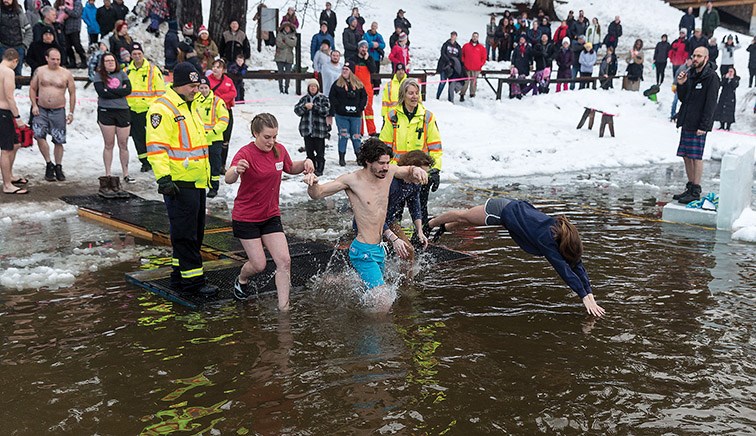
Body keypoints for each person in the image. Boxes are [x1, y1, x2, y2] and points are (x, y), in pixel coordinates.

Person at [303, 138, 428, 312]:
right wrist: (313, 183)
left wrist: (416, 170)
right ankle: (372, 338)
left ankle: (330, 281)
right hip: (363, 250)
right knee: (383, 300)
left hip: (378, 249)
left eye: (387, 162)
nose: (385, 167)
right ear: (368, 161)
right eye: (381, 163)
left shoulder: (389, 172)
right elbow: (318, 194)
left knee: (369, 290)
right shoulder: (352, 180)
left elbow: (405, 170)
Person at [426, 198, 605, 317]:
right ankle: (430, 223)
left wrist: (590, 294)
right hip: (501, 209)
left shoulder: (563, 236)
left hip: (513, 210)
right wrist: (583, 296)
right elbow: (563, 269)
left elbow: (576, 264)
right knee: (464, 216)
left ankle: (445, 227)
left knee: (468, 221)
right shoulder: (547, 239)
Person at [226, 113, 314, 310]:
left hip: (270, 215)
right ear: (255, 133)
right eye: (267, 137)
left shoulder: (279, 150)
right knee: (259, 265)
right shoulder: (245, 153)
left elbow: (290, 167)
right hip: (246, 217)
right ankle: (241, 279)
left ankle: (284, 307)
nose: (271, 141)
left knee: (284, 261)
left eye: (275, 136)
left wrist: (306, 162)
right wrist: (236, 170)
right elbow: (228, 178)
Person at [146, 62, 217, 297]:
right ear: (178, 85)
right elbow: (157, 149)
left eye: (198, 85)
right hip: (178, 183)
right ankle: (194, 283)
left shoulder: (190, 105)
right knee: (186, 234)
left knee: (194, 231)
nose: (196, 90)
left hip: (196, 181)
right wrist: (164, 179)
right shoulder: (162, 109)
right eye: (192, 86)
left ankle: (179, 274)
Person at [379, 78, 442, 224]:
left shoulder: (427, 117)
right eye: (410, 93)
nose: (414, 96)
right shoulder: (393, 117)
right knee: (395, 209)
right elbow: (384, 146)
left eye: (416, 93)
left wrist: (435, 169)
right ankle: (393, 239)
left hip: (421, 172)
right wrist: (386, 168)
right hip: (398, 172)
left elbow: (435, 146)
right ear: (403, 95)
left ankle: (420, 238)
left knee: (420, 209)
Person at [673, 46, 719, 204]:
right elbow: (683, 98)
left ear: (706, 58)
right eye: (694, 55)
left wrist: (704, 126)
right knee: (686, 156)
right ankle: (690, 186)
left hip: (699, 124)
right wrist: (681, 84)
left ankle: (696, 189)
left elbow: (711, 104)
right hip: (687, 121)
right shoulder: (691, 74)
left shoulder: (711, 77)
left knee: (696, 157)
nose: (695, 58)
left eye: (699, 56)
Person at [383, 150, 433, 278]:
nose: (423, 177)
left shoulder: (414, 183)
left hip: (389, 220)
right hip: (373, 220)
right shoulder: (392, 181)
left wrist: (420, 231)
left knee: (408, 250)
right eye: (421, 173)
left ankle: (406, 283)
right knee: (375, 254)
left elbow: (414, 206)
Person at [29, 47, 75, 182]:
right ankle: (49, 163)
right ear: (47, 58)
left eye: (58, 59)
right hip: (41, 109)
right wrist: (34, 105)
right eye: (53, 59)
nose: (56, 62)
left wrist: (71, 112)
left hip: (58, 110)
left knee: (58, 140)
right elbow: (32, 88)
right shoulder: (40, 71)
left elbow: (72, 93)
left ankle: (58, 166)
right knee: (38, 135)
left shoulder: (66, 74)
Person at [93, 51, 131, 198]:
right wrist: (118, 92)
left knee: (123, 143)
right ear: (103, 63)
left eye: (112, 60)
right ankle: (108, 173)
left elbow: (128, 89)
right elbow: (102, 92)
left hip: (122, 110)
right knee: (109, 143)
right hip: (106, 111)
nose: (110, 63)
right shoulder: (99, 75)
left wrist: (111, 91)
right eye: (107, 61)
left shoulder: (122, 73)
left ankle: (125, 173)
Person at [126, 42, 165, 173]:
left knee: (153, 136)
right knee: (138, 137)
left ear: (143, 54)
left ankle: (156, 160)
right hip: (133, 110)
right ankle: (144, 161)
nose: (137, 56)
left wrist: (156, 107)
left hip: (150, 110)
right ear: (131, 56)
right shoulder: (127, 71)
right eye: (134, 54)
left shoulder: (153, 70)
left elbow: (160, 92)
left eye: (139, 54)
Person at [0, 48, 28, 195]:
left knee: (15, 144)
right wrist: (18, 117)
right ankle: (7, 185)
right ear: (15, 61)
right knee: (6, 149)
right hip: (3, 112)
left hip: (3, 113)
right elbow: (9, 97)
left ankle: (9, 175)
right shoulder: (8, 72)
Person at [196, 76, 228, 198]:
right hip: (199, 140)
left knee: (214, 165)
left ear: (210, 88)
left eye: (205, 87)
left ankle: (214, 187)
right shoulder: (195, 101)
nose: (203, 90)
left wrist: (213, 132)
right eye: (201, 88)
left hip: (214, 139)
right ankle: (202, 184)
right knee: (201, 164)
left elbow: (224, 120)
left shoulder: (217, 101)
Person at [329, 61, 366, 166]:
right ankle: (342, 157)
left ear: (351, 72)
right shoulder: (337, 84)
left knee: (356, 136)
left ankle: (359, 156)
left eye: (347, 69)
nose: (344, 71)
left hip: (355, 116)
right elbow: (332, 97)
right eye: (343, 69)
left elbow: (364, 97)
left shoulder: (359, 84)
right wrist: (339, 108)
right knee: (344, 135)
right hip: (342, 116)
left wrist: (360, 108)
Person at [206, 58, 236, 173]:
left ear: (223, 70)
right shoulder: (208, 80)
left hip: (226, 111)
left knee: (225, 140)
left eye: (218, 67)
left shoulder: (228, 81)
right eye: (214, 66)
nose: (215, 69)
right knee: (214, 140)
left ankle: (222, 165)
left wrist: (220, 99)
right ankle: (212, 164)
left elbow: (233, 93)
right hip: (211, 113)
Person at [294, 79, 329, 176]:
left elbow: (326, 110)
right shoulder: (304, 99)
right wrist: (305, 107)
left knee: (320, 152)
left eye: (314, 86)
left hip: (319, 131)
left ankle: (320, 169)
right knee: (309, 152)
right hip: (307, 130)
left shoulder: (323, 98)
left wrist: (314, 107)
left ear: (317, 88)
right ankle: (311, 168)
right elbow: (297, 110)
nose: (313, 88)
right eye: (311, 86)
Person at [351, 40, 377, 135]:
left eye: (366, 47)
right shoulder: (353, 59)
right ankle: (359, 131)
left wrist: (367, 60)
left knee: (369, 109)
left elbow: (373, 70)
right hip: (356, 88)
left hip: (367, 88)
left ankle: (372, 131)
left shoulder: (369, 59)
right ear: (359, 48)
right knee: (358, 110)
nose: (364, 49)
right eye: (362, 47)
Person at [0, 0, 32, 77]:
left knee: (17, 73)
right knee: (2, 72)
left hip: (19, 47)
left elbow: (28, 30)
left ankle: (18, 88)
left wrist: (24, 45)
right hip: (2, 46)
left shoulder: (20, 13)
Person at [435, 31, 462, 100]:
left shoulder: (458, 47)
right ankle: (437, 96)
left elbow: (459, 57)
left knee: (451, 84)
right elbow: (443, 53)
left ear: (456, 37)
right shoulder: (446, 44)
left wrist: (454, 62)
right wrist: (448, 61)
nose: (453, 37)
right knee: (442, 82)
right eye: (452, 35)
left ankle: (450, 99)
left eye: (454, 36)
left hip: (453, 68)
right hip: (444, 66)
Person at [59, 0, 87, 68]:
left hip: (74, 28)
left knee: (77, 45)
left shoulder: (77, 3)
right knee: (68, 46)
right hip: (66, 27)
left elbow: (76, 14)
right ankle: (72, 62)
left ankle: (84, 61)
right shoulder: (66, 2)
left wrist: (65, 9)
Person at [460, 31, 486, 101]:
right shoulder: (466, 46)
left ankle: (472, 94)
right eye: (474, 36)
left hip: (476, 68)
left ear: (478, 38)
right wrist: (463, 62)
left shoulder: (481, 47)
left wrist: (480, 64)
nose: (475, 38)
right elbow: (462, 55)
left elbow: (484, 57)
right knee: (466, 81)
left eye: (476, 37)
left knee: (474, 82)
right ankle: (462, 94)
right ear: (472, 37)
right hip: (467, 67)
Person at [714, 67, 738, 131]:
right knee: (721, 109)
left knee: (729, 111)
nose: (730, 73)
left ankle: (728, 126)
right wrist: (725, 78)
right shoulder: (725, 77)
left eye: (731, 71)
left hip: (731, 97)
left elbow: (735, 86)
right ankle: (721, 125)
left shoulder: (736, 78)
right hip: (723, 96)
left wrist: (732, 79)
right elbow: (721, 84)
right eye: (729, 71)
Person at [274, 21, 296, 94]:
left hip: (289, 57)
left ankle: (286, 88)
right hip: (280, 57)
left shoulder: (293, 35)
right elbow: (279, 44)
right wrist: (288, 42)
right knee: (280, 73)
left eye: (288, 28)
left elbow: (293, 43)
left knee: (288, 74)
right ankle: (280, 88)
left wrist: (285, 39)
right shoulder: (279, 34)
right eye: (286, 27)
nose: (287, 29)